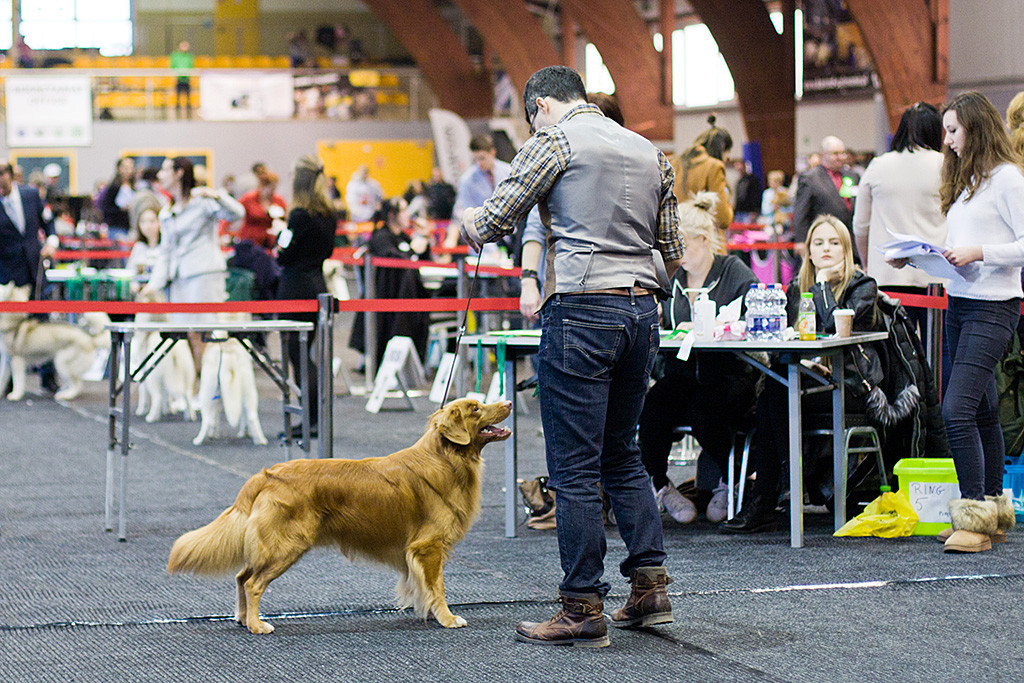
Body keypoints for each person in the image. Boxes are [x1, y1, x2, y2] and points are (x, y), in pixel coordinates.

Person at [460, 65, 684, 647]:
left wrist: (468, 221)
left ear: (538, 107)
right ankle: (649, 586)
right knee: (623, 454)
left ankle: (582, 606)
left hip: (582, 309)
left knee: (575, 467)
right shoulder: (648, 150)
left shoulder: (551, 140)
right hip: (641, 312)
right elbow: (675, 251)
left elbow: (493, 221)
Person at [892, 91, 1024, 553]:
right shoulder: (969, 181)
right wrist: (923, 259)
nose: (945, 141)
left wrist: (978, 252)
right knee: (982, 410)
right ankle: (989, 512)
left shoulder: (1008, 179)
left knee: (956, 410)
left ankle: (972, 512)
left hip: (994, 306)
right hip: (960, 303)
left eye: (952, 131)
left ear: (976, 127)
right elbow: (962, 251)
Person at [722, 215, 883, 533]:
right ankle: (779, 485)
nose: (826, 249)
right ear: (808, 251)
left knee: (775, 393)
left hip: (850, 382)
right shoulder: (797, 287)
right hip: (807, 378)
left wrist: (822, 283)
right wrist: (808, 364)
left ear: (847, 250)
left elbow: (838, 327)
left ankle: (770, 492)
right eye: (818, 243)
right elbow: (792, 337)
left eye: (834, 243)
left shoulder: (863, 286)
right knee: (774, 388)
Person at [638, 193, 758, 525]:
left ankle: (728, 479)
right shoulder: (672, 279)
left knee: (705, 410)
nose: (674, 254)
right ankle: (661, 486)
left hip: (730, 373)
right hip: (681, 373)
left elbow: (756, 314)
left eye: (681, 245)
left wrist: (721, 326)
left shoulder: (733, 271)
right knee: (651, 408)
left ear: (703, 241)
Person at [853, 102, 946, 343]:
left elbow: (860, 225)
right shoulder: (945, 165)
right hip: (937, 277)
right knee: (938, 351)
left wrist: (866, 263)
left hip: (887, 274)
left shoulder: (878, 166)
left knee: (895, 355)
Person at [141, 157, 245, 370]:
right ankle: (192, 390)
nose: (160, 175)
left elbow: (237, 213)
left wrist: (216, 194)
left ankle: (206, 392)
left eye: (165, 170)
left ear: (179, 173)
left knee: (204, 335)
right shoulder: (166, 212)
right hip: (178, 281)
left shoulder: (203, 203)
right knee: (184, 337)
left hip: (204, 276)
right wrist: (154, 284)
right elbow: (165, 252)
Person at [275, 155, 337, 440]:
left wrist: (279, 239)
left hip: (294, 289)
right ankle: (315, 418)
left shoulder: (298, 216)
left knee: (297, 357)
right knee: (307, 355)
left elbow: (284, 254)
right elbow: (327, 253)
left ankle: (309, 419)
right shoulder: (329, 214)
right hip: (317, 286)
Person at [348, 197, 432, 369]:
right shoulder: (381, 236)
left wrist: (423, 239)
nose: (408, 214)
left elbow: (421, 260)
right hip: (385, 298)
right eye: (403, 210)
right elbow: (394, 260)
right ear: (392, 214)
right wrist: (412, 249)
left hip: (406, 296)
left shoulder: (402, 236)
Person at [0, 161, 59, 394]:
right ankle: (11, 380)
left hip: (35, 270)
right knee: (11, 331)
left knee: (43, 323)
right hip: (9, 277)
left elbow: (48, 222)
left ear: (9, 176)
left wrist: (52, 241)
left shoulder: (31, 195)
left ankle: (48, 376)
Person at [793, 136, 860, 261]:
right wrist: (801, 240)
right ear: (823, 155)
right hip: (824, 238)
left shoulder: (853, 176)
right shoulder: (810, 178)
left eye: (842, 153)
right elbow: (800, 211)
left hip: (850, 240)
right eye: (835, 154)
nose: (840, 157)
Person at [447, 135, 512, 260]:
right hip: (483, 241)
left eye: (482, 158)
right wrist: (490, 249)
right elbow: (467, 216)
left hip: (509, 237)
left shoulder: (509, 171)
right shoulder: (466, 180)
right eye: (476, 159)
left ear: (492, 153)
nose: (479, 163)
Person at [669, 114, 734, 233]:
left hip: (675, 240)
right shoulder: (714, 166)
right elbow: (723, 218)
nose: (727, 158)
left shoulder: (673, 162)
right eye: (727, 153)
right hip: (705, 241)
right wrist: (729, 209)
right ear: (722, 149)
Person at [236, 168, 287, 250]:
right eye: (270, 188)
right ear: (262, 186)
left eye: (274, 188)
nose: (271, 192)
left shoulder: (279, 200)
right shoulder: (248, 198)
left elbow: (285, 219)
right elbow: (235, 212)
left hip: (269, 244)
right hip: (249, 243)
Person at [126, 195, 163, 280]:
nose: (147, 226)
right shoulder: (139, 247)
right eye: (143, 221)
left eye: (152, 221)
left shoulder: (165, 247)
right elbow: (130, 272)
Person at [101, 157, 136, 239]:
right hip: (116, 228)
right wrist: (121, 209)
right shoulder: (113, 188)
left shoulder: (134, 186)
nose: (129, 170)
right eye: (126, 168)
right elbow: (106, 208)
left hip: (130, 227)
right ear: (119, 168)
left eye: (131, 167)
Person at [170, 41, 194, 119]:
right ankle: (177, 112)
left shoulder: (189, 56)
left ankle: (189, 113)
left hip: (187, 79)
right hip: (178, 79)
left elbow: (191, 66)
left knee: (188, 97)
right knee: (177, 96)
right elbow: (173, 66)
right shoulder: (175, 56)